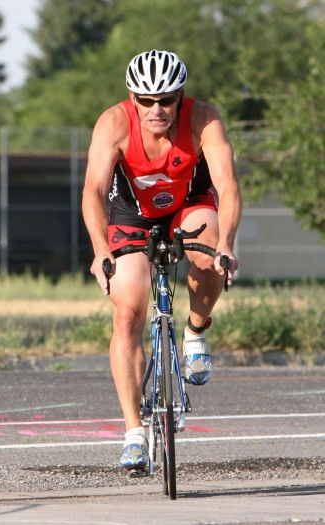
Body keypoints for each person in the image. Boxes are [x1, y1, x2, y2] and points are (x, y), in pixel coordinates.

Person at [81, 49, 241, 473]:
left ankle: (194, 333)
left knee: (208, 247)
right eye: (147, 100)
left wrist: (226, 243)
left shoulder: (204, 119)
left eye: (167, 100)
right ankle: (134, 432)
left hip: (189, 206)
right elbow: (94, 191)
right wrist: (100, 251)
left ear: (180, 96)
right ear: (132, 97)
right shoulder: (113, 123)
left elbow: (228, 186)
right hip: (132, 216)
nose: (157, 109)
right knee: (128, 313)